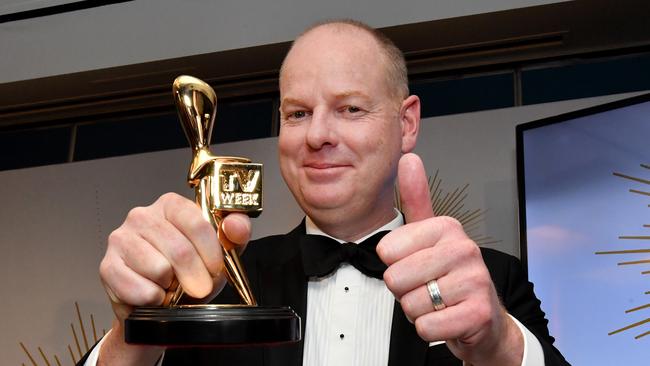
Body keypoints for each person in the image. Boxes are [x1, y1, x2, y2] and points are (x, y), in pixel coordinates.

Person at [81, 20, 568, 366]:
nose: (317, 135)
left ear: (407, 122)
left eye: (350, 108)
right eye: (296, 113)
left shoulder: (494, 282)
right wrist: (135, 335)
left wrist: (497, 344)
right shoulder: (209, 288)